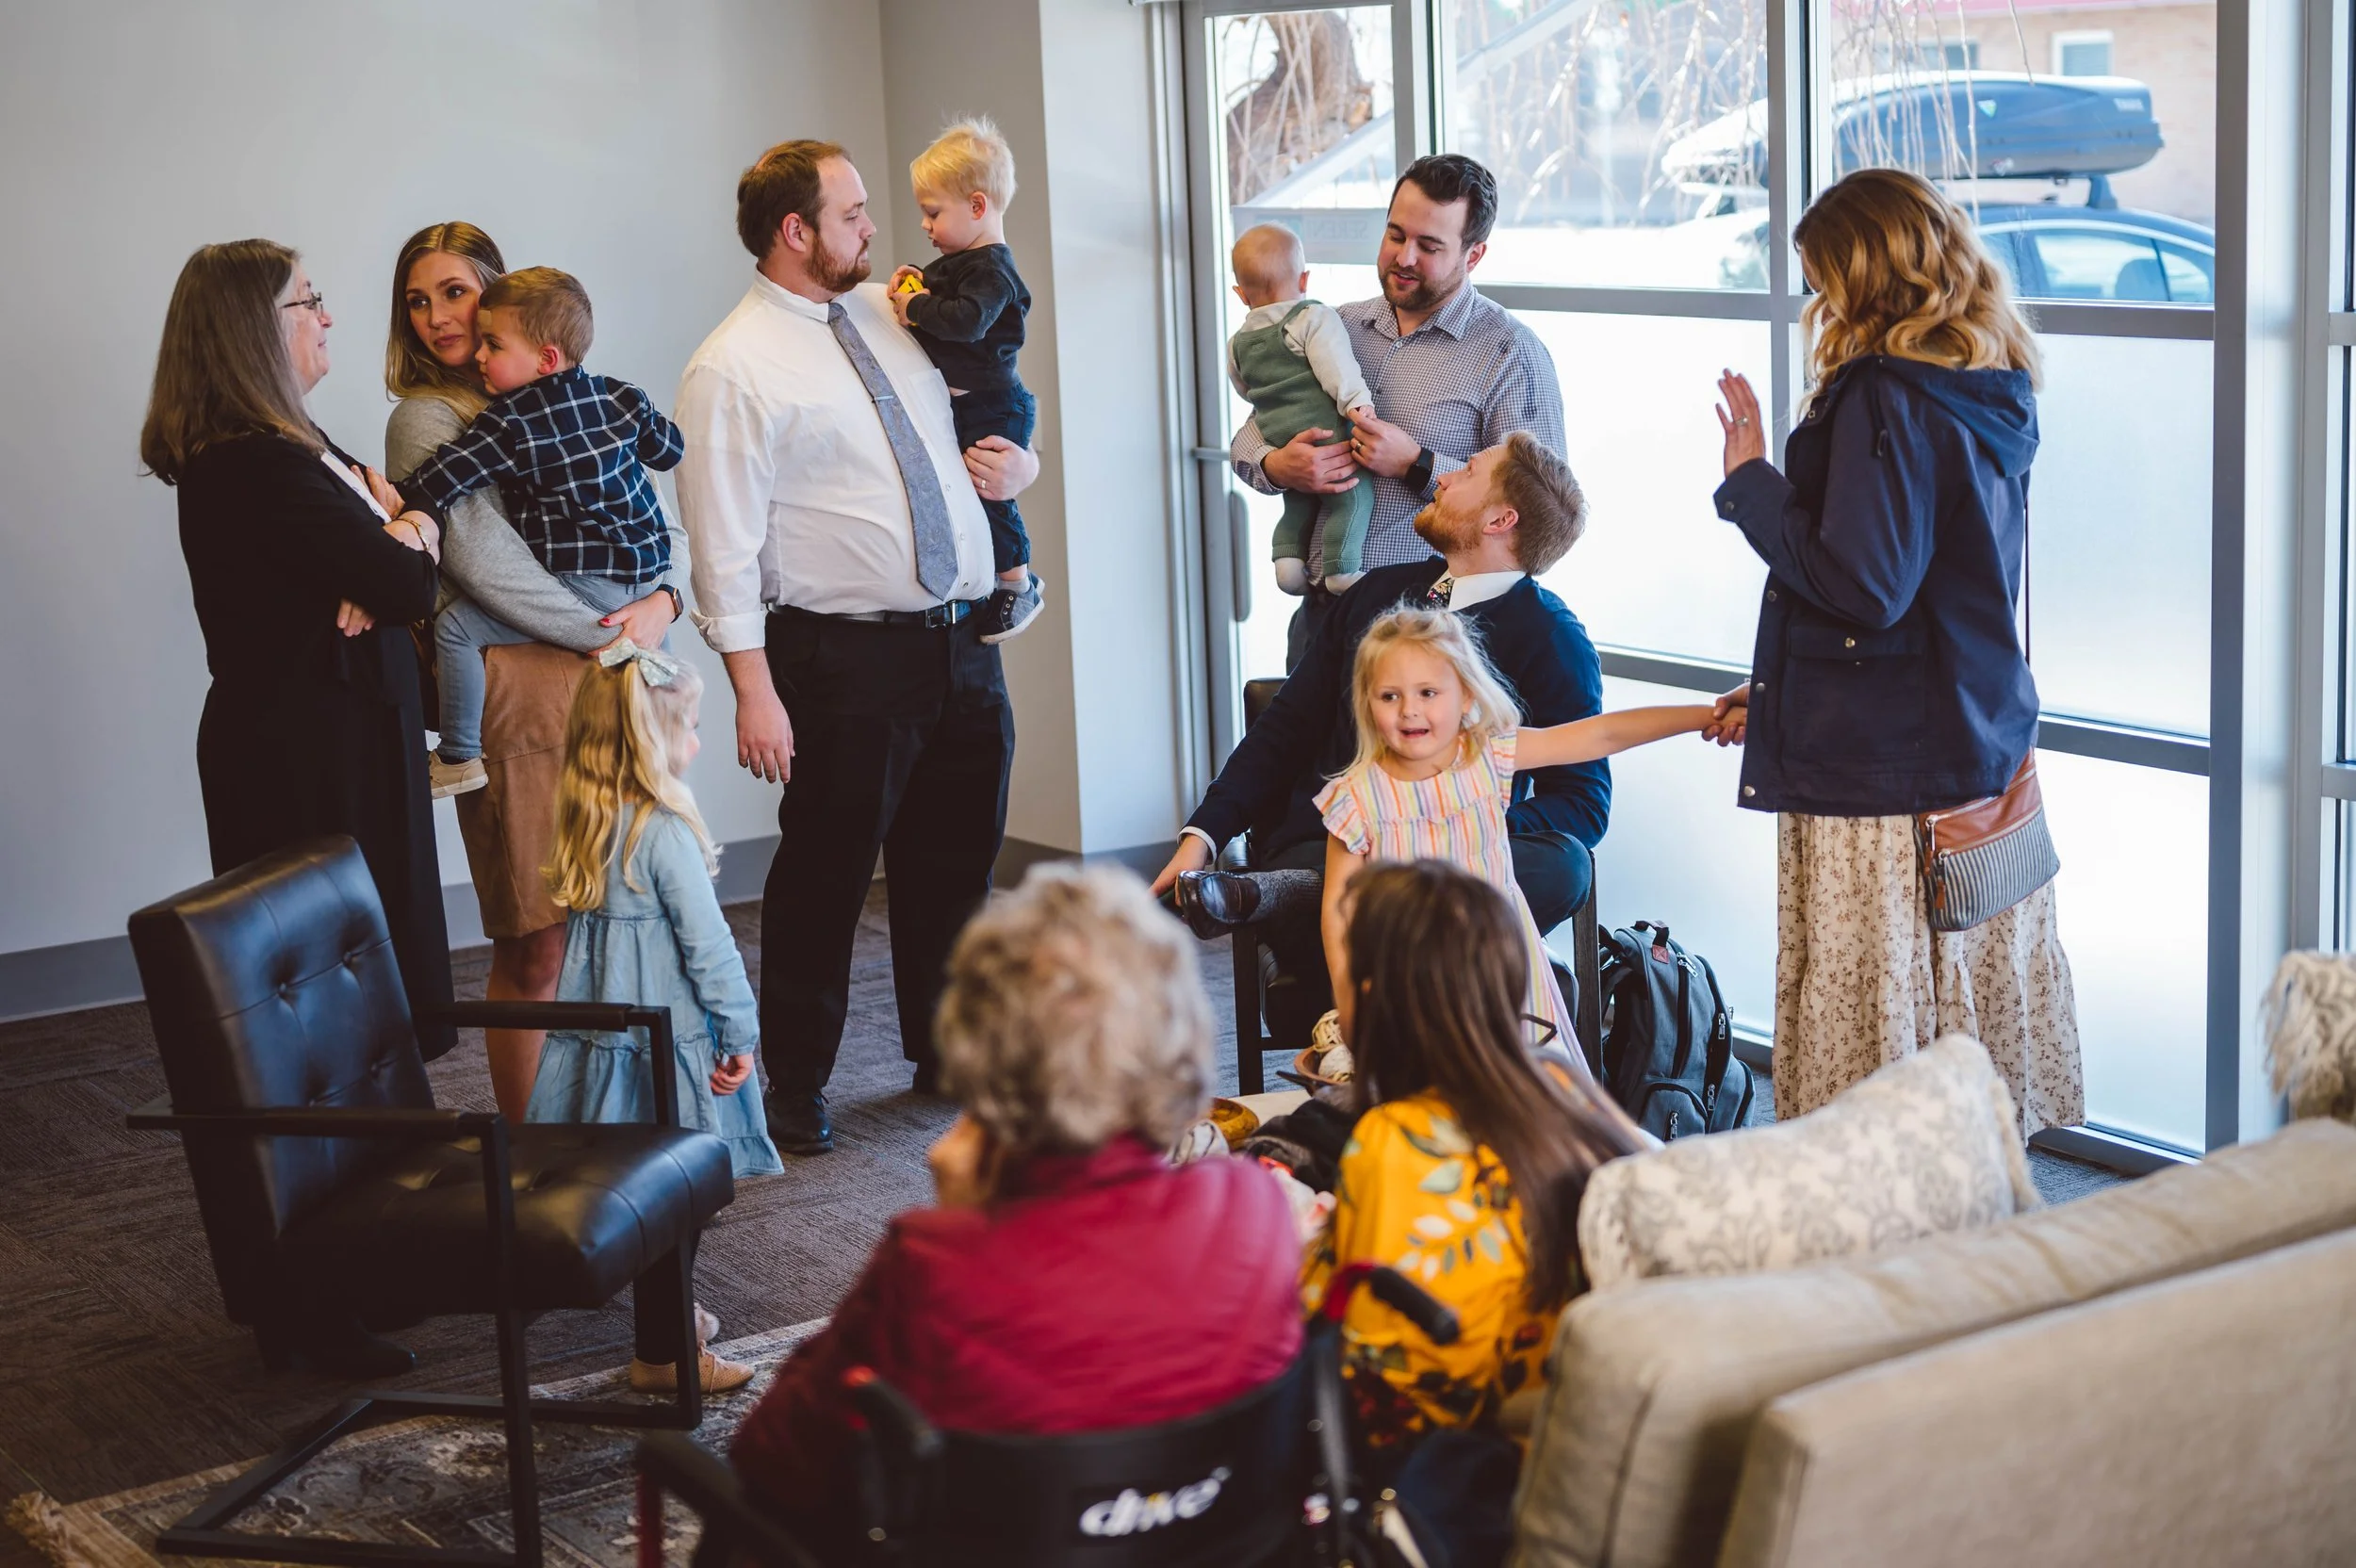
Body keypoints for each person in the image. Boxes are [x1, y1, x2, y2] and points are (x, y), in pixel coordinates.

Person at [729, 863, 1304, 1551]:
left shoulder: (931, 1266)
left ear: (983, 1054)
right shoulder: (1259, 1207)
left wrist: (964, 1225)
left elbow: (775, 1456)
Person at [675, 139, 1041, 1155]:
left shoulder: (894, 308)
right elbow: (724, 547)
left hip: (962, 643)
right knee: (827, 875)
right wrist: (754, 690)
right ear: (796, 233)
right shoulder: (731, 367)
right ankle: (797, 1082)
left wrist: (1026, 465)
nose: (873, 229)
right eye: (851, 215)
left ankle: (947, 1047)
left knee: (954, 865)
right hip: (841, 658)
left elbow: (986, 403)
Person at [1710, 167, 2083, 1138]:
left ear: (1865, 273)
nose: (1817, 299)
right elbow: (1933, 586)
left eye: (1823, 275)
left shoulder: (1884, 393)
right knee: (1945, 993)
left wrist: (1751, 479)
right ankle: (1959, 1199)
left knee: (1871, 1006)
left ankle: (1872, 1220)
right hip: (1969, 732)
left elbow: (1863, 587)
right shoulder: (1984, 383)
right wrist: (1780, 690)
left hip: (1879, 774)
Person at [1151, 434, 1610, 1038]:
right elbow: (1283, 730)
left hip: (1462, 866)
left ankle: (1276, 904)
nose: (1441, 478)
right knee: (1355, 871)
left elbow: (1581, 805)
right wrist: (1203, 837)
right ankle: (1455, 977)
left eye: (1466, 472)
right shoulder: (1375, 593)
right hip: (1334, 844)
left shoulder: (1553, 640)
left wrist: (1446, 826)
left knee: (1564, 864)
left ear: (1502, 519)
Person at [384, 221, 682, 1121]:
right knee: (537, 943)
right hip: (519, 690)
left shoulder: (569, 390)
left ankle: (618, 1139)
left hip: (607, 681)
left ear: (501, 296)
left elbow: (644, 509)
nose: (438, 316)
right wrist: (608, 630)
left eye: (455, 292)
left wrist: (666, 597)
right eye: (417, 299)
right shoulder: (429, 420)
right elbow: (482, 564)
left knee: (620, 935)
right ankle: (532, 1153)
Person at [142, 238, 458, 1067]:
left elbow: (403, 525)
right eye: (307, 301)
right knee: (334, 1005)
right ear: (253, 329)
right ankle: (354, 1181)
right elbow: (406, 586)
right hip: (307, 757)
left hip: (343, 737)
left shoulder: (294, 442)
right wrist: (397, 546)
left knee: (367, 986)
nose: (328, 316)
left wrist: (403, 528)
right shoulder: (252, 462)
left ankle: (381, 1164)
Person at [1304, 859, 1643, 1564]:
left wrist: (1304, 1264)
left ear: (1377, 994)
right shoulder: (1565, 1091)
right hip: (1569, 1429)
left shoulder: (1392, 1140)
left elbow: (1379, 1366)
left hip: (1443, 1466)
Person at [528, 641, 781, 1393]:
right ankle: (665, 1353)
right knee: (679, 1197)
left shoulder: (590, 821)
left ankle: (672, 1315)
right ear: (651, 739)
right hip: (669, 1046)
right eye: (692, 725)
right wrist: (740, 1032)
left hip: (611, 1042)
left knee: (640, 1185)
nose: (699, 740)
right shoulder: (664, 832)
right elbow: (710, 949)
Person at [1317, 607, 1741, 1048]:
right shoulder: (1354, 796)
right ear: (1367, 701)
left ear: (1464, 696)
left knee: (1515, 1103)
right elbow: (1338, 913)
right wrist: (1350, 1005)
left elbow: (1602, 735)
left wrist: (1708, 714)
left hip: (1502, 973)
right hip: (1404, 982)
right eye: (1389, 696)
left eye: (1427, 692)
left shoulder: (1487, 757)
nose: (1409, 711)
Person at [1229, 153, 1562, 666]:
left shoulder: (1510, 355)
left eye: (1429, 246)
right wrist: (1279, 465)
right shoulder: (1327, 325)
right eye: (1395, 235)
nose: (1404, 258)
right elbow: (1250, 433)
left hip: (1433, 632)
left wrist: (1417, 464)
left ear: (1473, 256)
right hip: (1320, 624)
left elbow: (1539, 522)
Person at [401, 266, 684, 799]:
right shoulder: (618, 397)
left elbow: (443, 476)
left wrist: (399, 499)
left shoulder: (509, 422)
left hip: (588, 590)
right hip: (644, 582)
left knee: (458, 628)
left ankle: (458, 755)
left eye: (493, 344)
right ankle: (663, 736)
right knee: (649, 738)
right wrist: (665, 599)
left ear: (545, 358)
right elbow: (669, 452)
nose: (482, 355)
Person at [887, 115, 1045, 643]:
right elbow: (934, 289)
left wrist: (915, 309)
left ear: (977, 207)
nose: (926, 226)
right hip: (972, 403)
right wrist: (911, 282)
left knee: (990, 494)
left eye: (933, 213)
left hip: (997, 404)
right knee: (968, 492)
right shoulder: (957, 261)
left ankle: (1019, 585)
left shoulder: (992, 270)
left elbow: (965, 320)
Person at [1227, 222, 1376, 596]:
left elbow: (1247, 391)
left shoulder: (1237, 343)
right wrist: (1359, 405)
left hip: (1281, 436)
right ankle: (1341, 569)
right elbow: (1336, 368)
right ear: (1304, 278)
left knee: (1297, 504)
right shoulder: (1313, 318)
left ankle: (1287, 566)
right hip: (1326, 435)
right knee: (1352, 499)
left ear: (1240, 294)